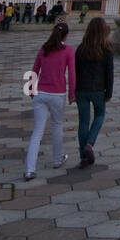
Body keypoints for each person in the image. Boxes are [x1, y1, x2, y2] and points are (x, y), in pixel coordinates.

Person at [25, 21, 75, 179]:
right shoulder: (68, 50)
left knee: (37, 131)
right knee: (57, 126)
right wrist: (71, 94)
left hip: (41, 94)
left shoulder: (44, 49)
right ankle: (57, 159)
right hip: (57, 94)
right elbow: (72, 74)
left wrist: (32, 91)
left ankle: (30, 169)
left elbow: (34, 71)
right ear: (66, 36)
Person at [74, 17, 114, 167]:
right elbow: (109, 73)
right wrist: (109, 93)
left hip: (81, 89)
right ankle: (89, 144)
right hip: (98, 89)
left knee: (83, 121)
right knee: (100, 115)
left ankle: (83, 155)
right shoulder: (106, 49)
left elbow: (75, 71)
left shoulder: (81, 48)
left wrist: (73, 89)